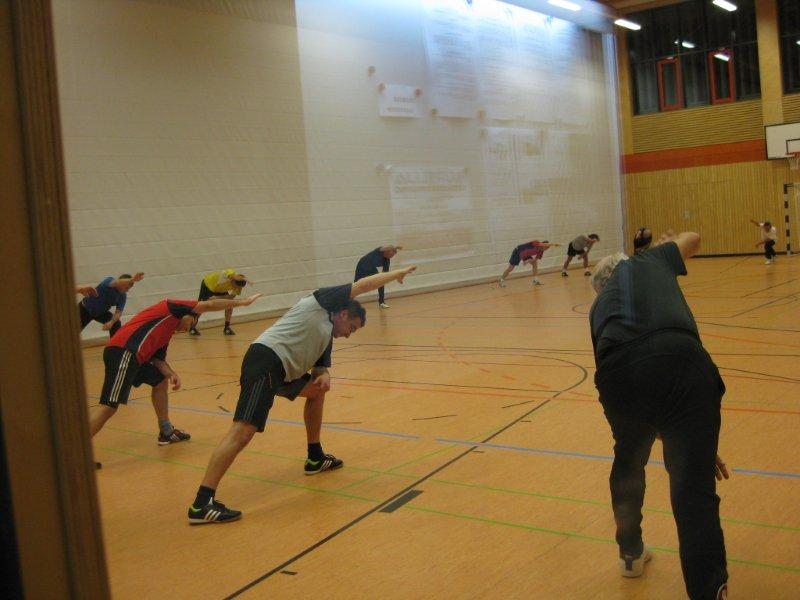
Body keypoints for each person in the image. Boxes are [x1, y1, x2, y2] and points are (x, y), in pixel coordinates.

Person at [187, 265, 416, 525]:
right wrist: (394, 274)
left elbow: (320, 367)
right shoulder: (320, 303)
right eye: (352, 327)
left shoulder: (327, 333)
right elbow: (362, 285)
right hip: (267, 361)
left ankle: (315, 457)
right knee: (242, 432)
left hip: (284, 371)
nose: (350, 334)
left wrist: (325, 374)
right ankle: (201, 504)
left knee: (317, 392)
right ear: (342, 313)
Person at [589, 232, 729, 600]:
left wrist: (687, 434)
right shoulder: (646, 261)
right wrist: (694, 441)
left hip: (617, 376)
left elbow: (628, 376)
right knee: (693, 493)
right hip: (678, 359)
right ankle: (709, 591)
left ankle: (630, 554)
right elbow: (695, 238)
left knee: (628, 461)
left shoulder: (598, 307)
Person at [90, 293, 262, 458]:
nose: (189, 328)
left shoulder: (167, 332)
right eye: (192, 322)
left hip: (133, 357)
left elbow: (158, 360)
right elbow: (209, 304)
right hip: (124, 352)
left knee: (160, 380)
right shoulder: (170, 307)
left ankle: (166, 431)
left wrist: (171, 374)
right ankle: (78, 450)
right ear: (190, 315)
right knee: (108, 406)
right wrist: (242, 303)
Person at [78, 273, 144, 337]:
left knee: (116, 324)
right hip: (84, 309)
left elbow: (118, 312)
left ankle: (113, 347)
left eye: (129, 288)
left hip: (100, 313)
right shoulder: (109, 281)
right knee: (73, 331)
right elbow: (117, 282)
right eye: (127, 287)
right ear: (122, 283)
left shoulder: (122, 296)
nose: (127, 290)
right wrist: (132, 279)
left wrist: (111, 322)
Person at [189, 269, 249, 336]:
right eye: (235, 285)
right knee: (201, 307)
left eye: (238, 287)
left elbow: (231, 297)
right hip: (208, 285)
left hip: (221, 289)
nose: (236, 288)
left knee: (229, 304)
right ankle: (192, 328)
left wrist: (216, 298)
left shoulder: (239, 284)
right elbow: (231, 274)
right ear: (232, 280)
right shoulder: (228, 273)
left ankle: (227, 327)